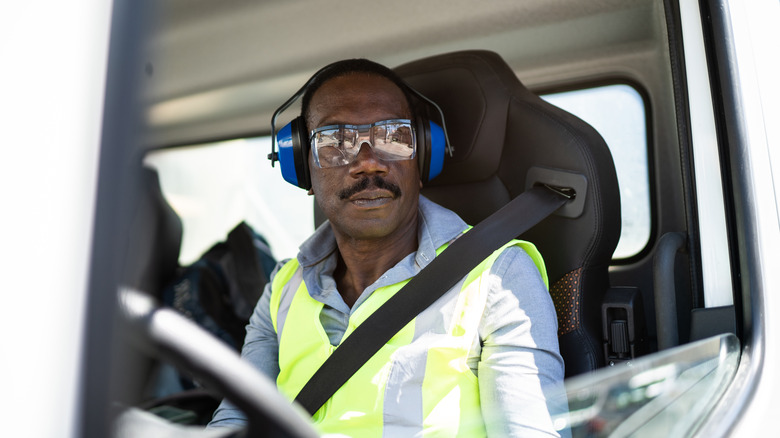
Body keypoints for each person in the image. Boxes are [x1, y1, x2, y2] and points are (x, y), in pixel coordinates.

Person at [208, 59, 566, 436]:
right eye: (335, 142)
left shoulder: (500, 277)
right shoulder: (283, 287)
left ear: (423, 156)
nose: (368, 163)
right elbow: (235, 421)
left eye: (394, 137)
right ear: (301, 166)